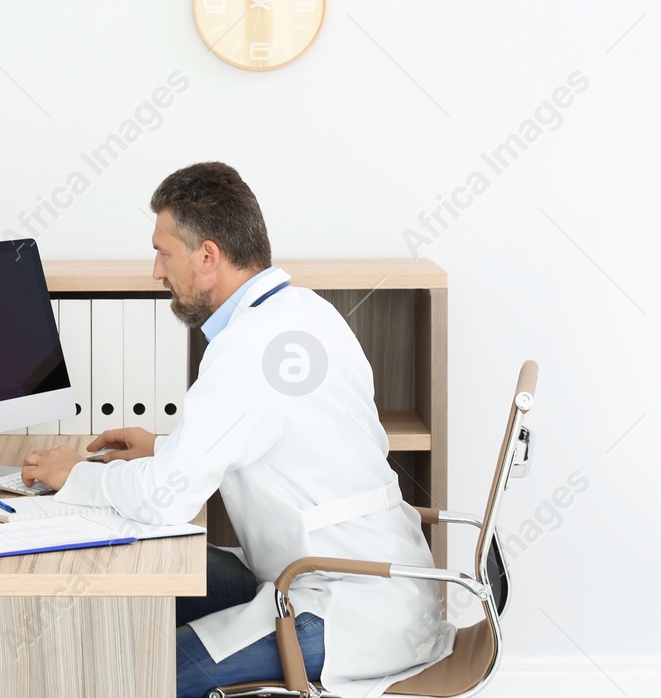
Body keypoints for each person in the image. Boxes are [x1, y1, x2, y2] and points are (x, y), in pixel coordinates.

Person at [22, 161, 456, 698]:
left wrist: (75, 476)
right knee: (141, 601)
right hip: (379, 581)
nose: (157, 271)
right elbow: (285, 438)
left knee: (134, 674)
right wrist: (164, 448)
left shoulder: (247, 348)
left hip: (343, 605)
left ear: (208, 256)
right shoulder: (305, 311)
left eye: (164, 253)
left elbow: (165, 500)